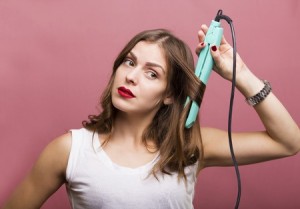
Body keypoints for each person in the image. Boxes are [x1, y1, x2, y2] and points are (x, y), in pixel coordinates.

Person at [3, 24, 300, 209]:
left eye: (151, 73)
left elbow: (288, 142)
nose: (131, 77)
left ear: (170, 94)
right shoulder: (70, 150)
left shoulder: (191, 145)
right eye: (129, 62)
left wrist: (243, 75)